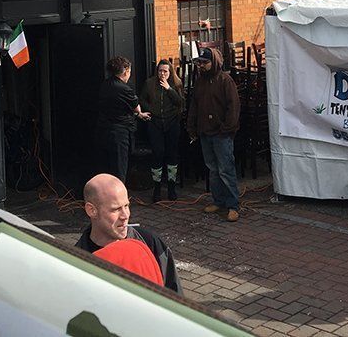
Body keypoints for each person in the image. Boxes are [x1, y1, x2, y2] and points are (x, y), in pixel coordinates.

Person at [74, 173, 181, 293]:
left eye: (126, 206)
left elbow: (176, 296)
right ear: (91, 210)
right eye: (116, 209)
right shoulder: (78, 260)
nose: (125, 215)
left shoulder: (150, 242)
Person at [186, 47, 241, 222]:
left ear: (214, 62)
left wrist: (226, 129)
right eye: (200, 62)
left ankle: (233, 205)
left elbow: (233, 107)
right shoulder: (200, 81)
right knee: (213, 169)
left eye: (205, 62)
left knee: (226, 169)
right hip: (205, 132)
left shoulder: (226, 81)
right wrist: (192, 127)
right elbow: (194, 105)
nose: (201, 66)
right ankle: (218, 201)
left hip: (221, 134)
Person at [95, 56, 150, 182]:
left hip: (103, 131)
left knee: (106, 169)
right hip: (119, 134)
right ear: (126, 71)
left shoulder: (105, 84)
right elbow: (137, 108)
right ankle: (119, 200)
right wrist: (139, 114)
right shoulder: (125, 89)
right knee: (120, 169)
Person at [139, 59, 185, 202]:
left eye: (165, 71)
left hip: (172, 123)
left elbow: (180, 102)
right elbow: (142, 100)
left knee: (172, 154)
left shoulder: (176, 83)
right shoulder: (149, 83)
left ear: (170, 72)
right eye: (160, 71)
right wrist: (151, 110)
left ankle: (171, 188)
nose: (162, 74)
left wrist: (168, 89)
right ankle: (157, 188)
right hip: (155, 123)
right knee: (157, 154)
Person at [93, 238, 164, 287]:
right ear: (92, 214)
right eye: (113, 214)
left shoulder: (148, 240)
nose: (125, 216)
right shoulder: (137, 247)